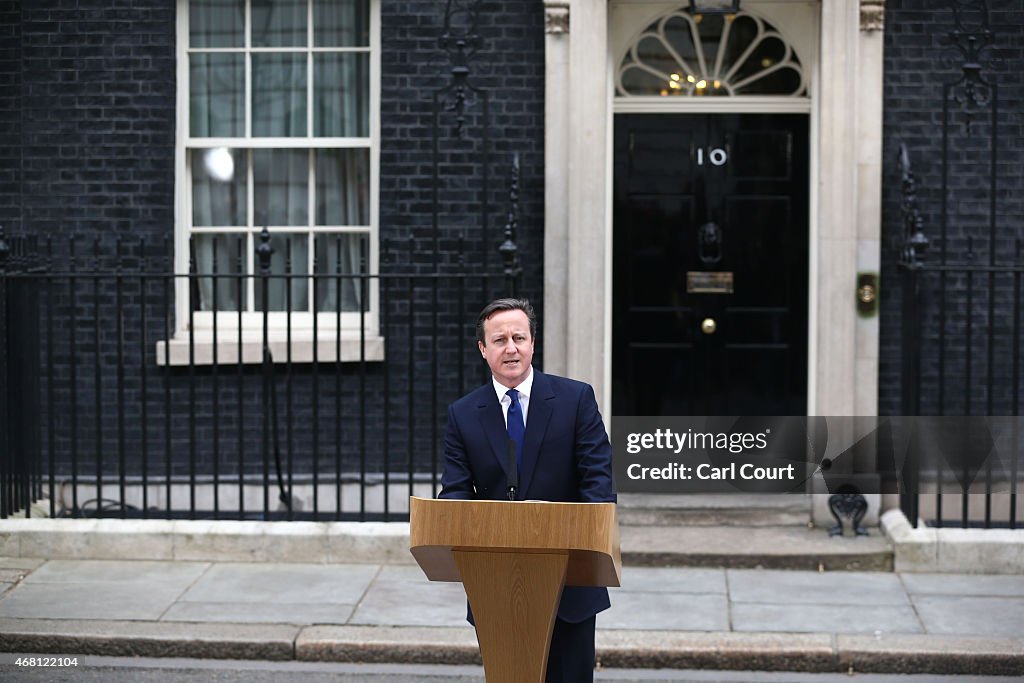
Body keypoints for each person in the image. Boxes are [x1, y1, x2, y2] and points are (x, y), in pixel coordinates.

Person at [439, 297, 616, 683]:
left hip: (570, 586)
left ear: (533, 343)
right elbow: (454, 496)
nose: (511, 347)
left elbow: (599, 484)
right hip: (496, 589)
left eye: (519, 337)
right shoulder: (463, 414)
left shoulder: (575, 400)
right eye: (499, 340)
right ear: (483, 350)